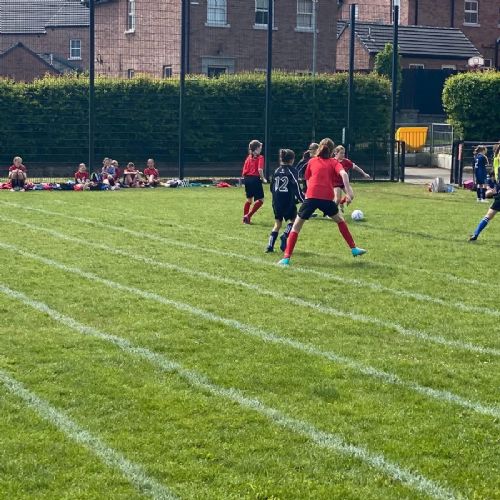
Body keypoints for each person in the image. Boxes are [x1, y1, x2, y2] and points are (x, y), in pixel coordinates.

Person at [278, 138, 367, 266]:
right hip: (326, 198)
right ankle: (353, 248)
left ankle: (286, 259)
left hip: (311, 197)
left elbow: (307, 178)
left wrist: (309, 192)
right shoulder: (333, 162)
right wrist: (348, 192)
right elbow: (344, 174)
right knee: (340, 221)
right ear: (332, 151)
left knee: (296, 227)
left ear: (319, 148)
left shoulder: (312, 161)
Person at [266, 149, 304, 253]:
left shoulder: (277, 170)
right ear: (292, 160)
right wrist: (303, 199)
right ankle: (285, 235)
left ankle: (270, 246)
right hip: (287, 200)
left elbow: (271, 187)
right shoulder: (293, 171)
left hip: (276, 201)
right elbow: (296, 187)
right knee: (294, 220)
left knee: (277, 223)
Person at [334, 145, 371, 211]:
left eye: (344, 153)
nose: (343, 155)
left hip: (344, 183)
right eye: (341, 153)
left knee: (351, 196)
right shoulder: (332, 161)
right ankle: (331, 211)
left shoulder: (346, 161)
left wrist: (364, 173)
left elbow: (355, 167)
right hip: (335, 183)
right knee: (337, 199)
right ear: (336, 153)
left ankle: (341, 203)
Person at [242, 139, 267, 224]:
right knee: (261, 200)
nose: (261, 149)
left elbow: (244, 170)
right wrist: (263, 178)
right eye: (260, 147)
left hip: (247, 179)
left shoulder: (248, 157)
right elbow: (260, 169)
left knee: (249, 200)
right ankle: (248, 216)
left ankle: (245, 219)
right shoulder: (260, 157)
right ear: (257, 148)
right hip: (255, 179)